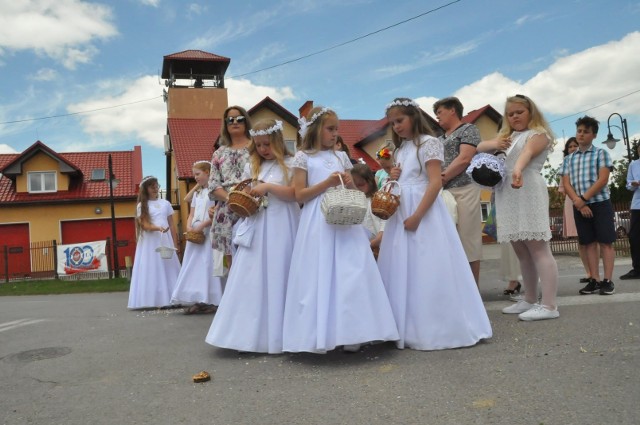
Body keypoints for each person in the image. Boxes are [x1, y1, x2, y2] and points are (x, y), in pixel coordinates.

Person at [282, 106, 399, 354]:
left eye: (337, 129)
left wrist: (348, 183)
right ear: (316, 130)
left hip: (344, 216)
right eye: (330, 129)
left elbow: (354, 190)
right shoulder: (303, 158)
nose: (335, 133)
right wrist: (326, 183)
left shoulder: (341, 157)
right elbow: (299, 194)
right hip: (318, 218)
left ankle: (354, 330)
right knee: (321, 271)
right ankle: (320, 332)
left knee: (351, 270)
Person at [377, 97, 491, 350]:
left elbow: (435, 182)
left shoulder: (429, 144)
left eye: (400, 120)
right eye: (392, 123)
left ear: (413, 117)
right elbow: (399, 181)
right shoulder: (400, 149)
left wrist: (418, 215)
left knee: (426, 264)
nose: (396, 126)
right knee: (401, 265)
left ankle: (434, 324)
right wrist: (392, 175)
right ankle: (403, 323)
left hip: (423, 209)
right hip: (401, 208)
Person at [206, 120, 301, 353]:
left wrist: (267, 187)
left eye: (267, 144)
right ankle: (246, 334)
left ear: (277, 142)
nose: (262, 150)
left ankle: (285, 334)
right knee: (251, 273)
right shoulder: (253, 166)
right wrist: (248, 192)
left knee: (281, 269)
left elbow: (294, 194)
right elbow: (246, 190)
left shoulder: (290, 163)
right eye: (258, 145)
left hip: (283, 222)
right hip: (258, 222)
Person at [478, 94, 559, 321]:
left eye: (519, 112)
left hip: (527, 187)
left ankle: (550, 305)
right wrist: (494, 143)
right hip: (508, 193)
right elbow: (479, 148)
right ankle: (530, 298)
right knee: (522, 252)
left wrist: (517, 170)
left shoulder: (538, 134)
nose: (514, 116)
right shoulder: (507, 137)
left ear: (530, 112)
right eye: (510, 113)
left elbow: (527, 153)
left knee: (538, 250)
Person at [561, 116, 616, 295]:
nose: (581, 134)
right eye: (579, 131)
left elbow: (603, 179)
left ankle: (607, 280)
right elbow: (567, 183)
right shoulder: (569, 159)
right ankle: (594, 279)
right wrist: (578, 202)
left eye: (586, 132)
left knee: (606, 242)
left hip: (600, 203)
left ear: (594, 135)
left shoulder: (601, 154)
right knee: (588, 243)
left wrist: (582, 199)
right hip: (579, 205)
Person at [433, 97, 483, 285]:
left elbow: (465, 158)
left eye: (440, 112)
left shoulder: (469, 129)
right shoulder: (438, 139)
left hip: (464, 189)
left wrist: (442, 178)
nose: (437, 117)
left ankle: (472, 291)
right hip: (442, 192)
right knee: (445, 241)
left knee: (468, 240)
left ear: (452, 110)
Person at [171, 161, 223, 314]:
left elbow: (217, 212)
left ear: (208, 172)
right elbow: (192, 213)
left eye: (198, 174)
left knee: (208, 264)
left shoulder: (215, 192)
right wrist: (189, 225)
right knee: (194, 265)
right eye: (194, 175)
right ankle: (199, 298)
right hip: (196, 234)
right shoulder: (198, 193)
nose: (195, 177)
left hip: (209, 232)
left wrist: (203, 225)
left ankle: (213, 299)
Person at [208, 106, 253, 270]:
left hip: (253, 206)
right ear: (225, 124)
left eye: (239, 119)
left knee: (253, 254)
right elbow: (213, 184)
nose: (235, 122)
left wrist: (246, 199)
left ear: (246, 122)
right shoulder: (219, 153)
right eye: (230, 120)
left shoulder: (257, 147)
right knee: (233, 262)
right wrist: (231, 199)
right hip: (226, 209)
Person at [128, 176, 180, 309]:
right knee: (152, 267)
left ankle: (171, 297)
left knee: (168, 267)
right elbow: (145, 225)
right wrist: (157, 228)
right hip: (150, 241)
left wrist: (175, 243)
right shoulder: (142, 206)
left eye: (157, 186)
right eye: (152, 187)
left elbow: (171, 224)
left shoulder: (165, 204)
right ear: (146, 189)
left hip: (165, 238)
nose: (156, 189)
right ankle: (152, 299)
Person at [558, 137, 595, 283]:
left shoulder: (587, 162)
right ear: (566, 150)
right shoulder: (565, 166)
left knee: (592, 239)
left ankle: (595, 272)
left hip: (588, 199)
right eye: (570, 146)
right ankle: (588, 272)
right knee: (581, 240)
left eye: (575, 145)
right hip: (571, 202)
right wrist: (575, 198)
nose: (573, 148)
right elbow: (563, 189)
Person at [350, 163, 385, 257]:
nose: (357, 188)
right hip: (358, 248)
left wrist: (373, 243)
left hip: (378, 246)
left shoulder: (378, 199)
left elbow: (384, 226)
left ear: (370, 181)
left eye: (361, 184)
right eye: (354, 185)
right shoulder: (351, 203)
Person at [621, 144, 640, 280]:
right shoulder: (633, 165)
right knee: (634, 237)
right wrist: (633, 184)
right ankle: (637, 269)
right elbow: (628, 185)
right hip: (637, 204)